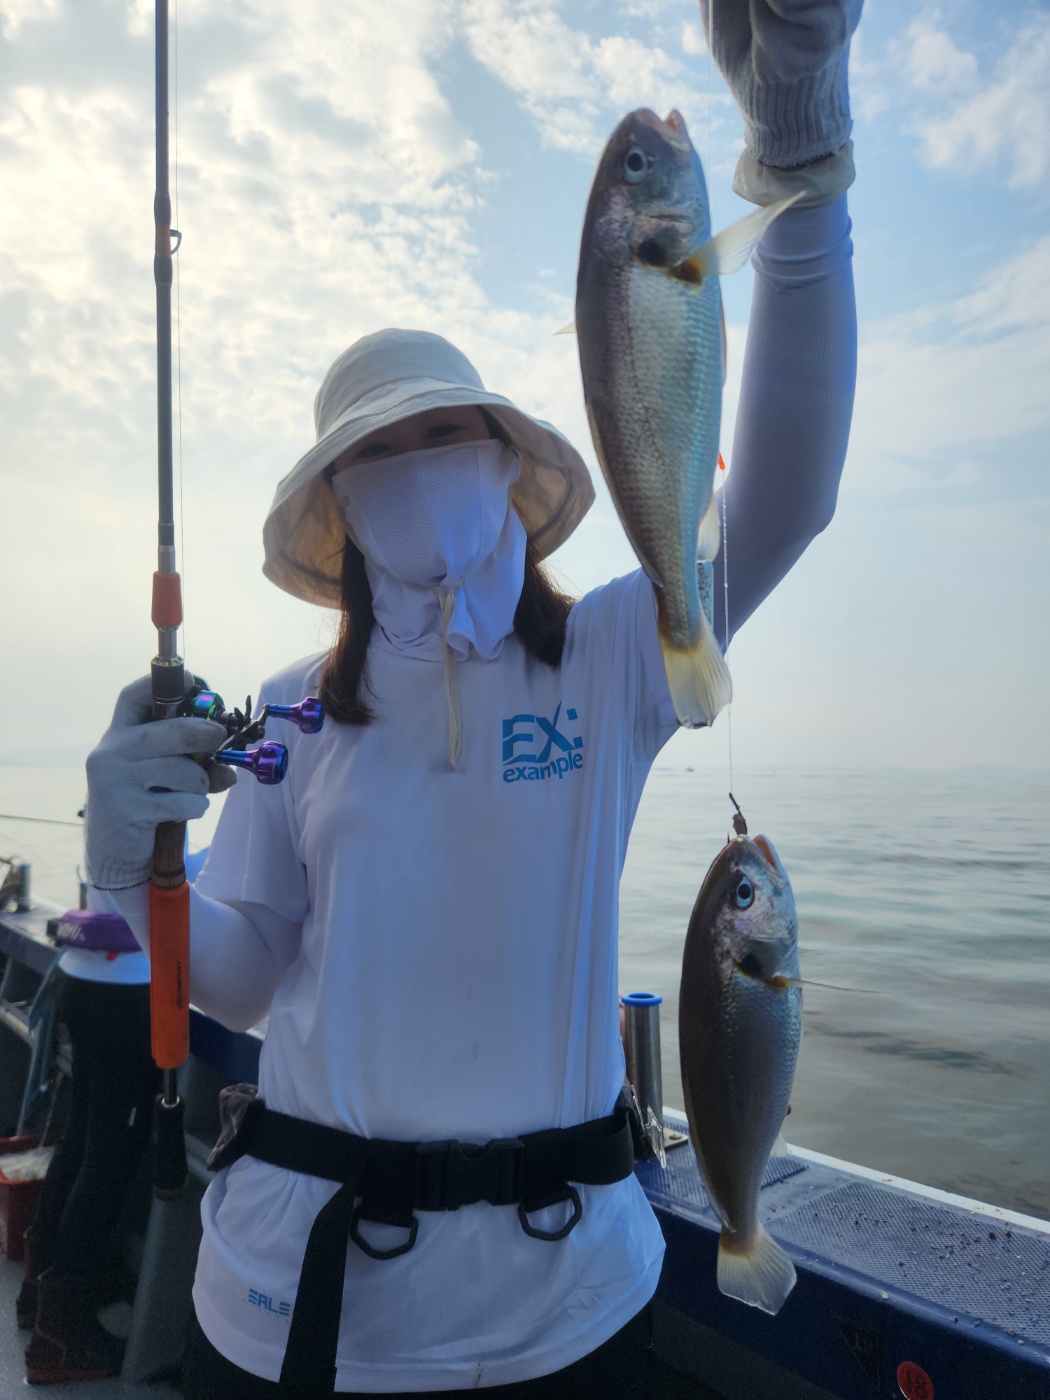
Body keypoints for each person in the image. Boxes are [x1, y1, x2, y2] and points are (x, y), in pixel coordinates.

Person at [82, 4, 861, 1395]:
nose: (420, 460)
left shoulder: (614, 656)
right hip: (293, 1304)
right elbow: (242, 977)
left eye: (449, 429)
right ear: (338, 502)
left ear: (509, 458)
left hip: (567, 1297)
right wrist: (135, 869)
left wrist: (799, 150)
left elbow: (790, 491)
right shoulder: (292, 716)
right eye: (380, 450)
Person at [18, 891, 159, 1384]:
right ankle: (60, 1336)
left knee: (82, 1138)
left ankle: (37, 1294)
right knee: (109, 1154)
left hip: (85, 976)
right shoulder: (165, 831)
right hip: (127, 990)